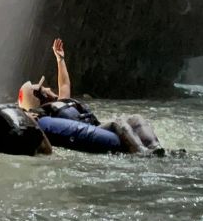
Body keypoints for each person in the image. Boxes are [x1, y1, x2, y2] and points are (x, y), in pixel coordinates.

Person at [18, 39, 164, 155]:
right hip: (94, 131)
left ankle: (157, 148)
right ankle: (141, 153)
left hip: (96, 126)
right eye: (44, 88)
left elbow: (64, 85)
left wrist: (60, 59)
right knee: (117, 122)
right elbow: (27, 116)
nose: (49, 88)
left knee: (136, 118)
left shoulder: (61, 103)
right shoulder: (45, 113)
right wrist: (27, 114)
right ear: (41, 96)